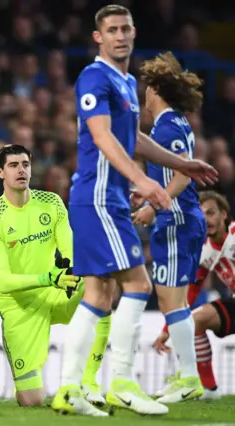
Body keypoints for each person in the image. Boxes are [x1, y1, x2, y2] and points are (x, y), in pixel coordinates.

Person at [50, 4, 217, 417]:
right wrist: (143, 181)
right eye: (112, 30)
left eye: (126, 28)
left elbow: (134, 139)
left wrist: (181, 165)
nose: (121, 35)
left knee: (99, 294)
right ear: (98, 37)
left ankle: (70, 388)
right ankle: (122, 381)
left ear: (134, 32)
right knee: (139, 285)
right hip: (99, 199)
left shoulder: (125, 82)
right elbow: (103, 137)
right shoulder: (94, 77)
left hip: (109, 202)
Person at [0, 144, 111, 407]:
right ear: (0, 172)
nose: (21, 170)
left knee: (101, 285)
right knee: (32, 400)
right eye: (13, 165)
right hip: (19, 305)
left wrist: (74, 271)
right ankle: (29, 382)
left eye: (25, 164)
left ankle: (90, 383)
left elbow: (69, 249)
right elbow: (2, 282)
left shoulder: (51, 203)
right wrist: (49, 278)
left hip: (56, 289)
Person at [130, 52, 206, 403]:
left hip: (176, 221)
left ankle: (189, 377)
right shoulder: (171, 124)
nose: (144, 94)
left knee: (171, 300)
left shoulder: (168, 125)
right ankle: (185, 374)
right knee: (171, 300)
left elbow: (180, 175)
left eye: (147, 88)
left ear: (156, 89)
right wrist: (144, 192)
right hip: (178, 219)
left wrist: (151, 204)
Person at [153, 191, 235, 401]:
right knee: (194, 321)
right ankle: (209, 389)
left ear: (224, 215)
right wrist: (167, 330)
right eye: (201, 214)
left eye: (211, 213)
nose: (207, 219)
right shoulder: (203, 251)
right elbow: (189, 293)